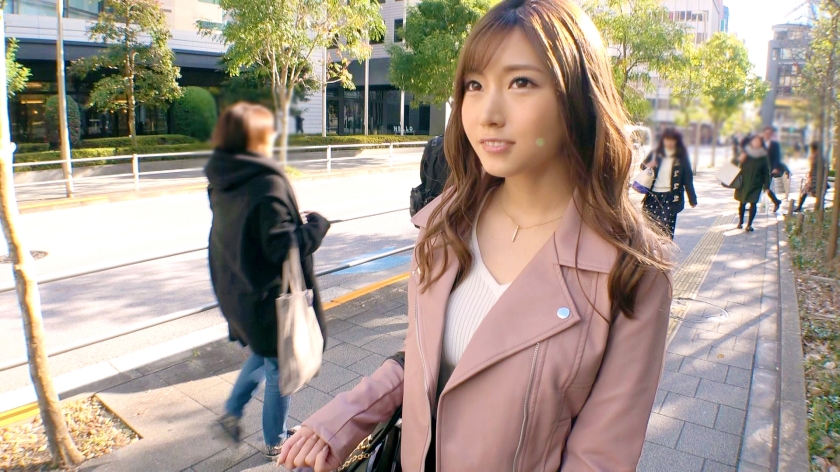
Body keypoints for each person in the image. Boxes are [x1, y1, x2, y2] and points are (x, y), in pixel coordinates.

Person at [279, 0, 674, 470]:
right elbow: (425, 361)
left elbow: (600, 458)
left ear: (577, 98)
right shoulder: (444, 225)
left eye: (521, 82)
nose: (487, 113)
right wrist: (343, 419)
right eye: (474, 85)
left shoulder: (631, 270)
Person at [204, 102, 331, 460]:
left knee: (262, 354)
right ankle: (275, 438)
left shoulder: (224, 178)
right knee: (279, 367)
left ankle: (231, 411)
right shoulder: (265, 183)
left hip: (240, 289)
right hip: (269, 299)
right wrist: (317, 227)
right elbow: (283, 247)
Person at [640, 128, 698, 239]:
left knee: (666, 230)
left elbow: (687, 179)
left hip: (670, 198)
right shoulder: (656, 153)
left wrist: (692, 199)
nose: (669, 142)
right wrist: (649, 165)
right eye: (667, 139)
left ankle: (664, 248)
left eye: (672, 140)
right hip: (653, 196)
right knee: (649, 228)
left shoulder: (682, 157)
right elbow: (642, 166)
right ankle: (651, 248)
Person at [735, 135, 771, 232]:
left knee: (753, 203)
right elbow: (735, 164)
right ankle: (740, 222)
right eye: (754, 141)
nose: (756, 143)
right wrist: (740, 159)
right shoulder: (745, 152)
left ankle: (749, 224)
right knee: (742, 203)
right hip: (744, 183)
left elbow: (766, 172)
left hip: (756, 184)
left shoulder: (763, 156)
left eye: (758, 141)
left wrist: (767, 186)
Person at [410, 134, 450, 217]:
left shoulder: (433, 143)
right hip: (454, 205)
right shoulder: (468, 143)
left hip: (431, 203)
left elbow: (423, 176)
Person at [762, 126, 784, 212]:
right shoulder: (759, 143)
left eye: (769, 134)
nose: (767, 135)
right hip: (758, 170)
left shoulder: (775, 145)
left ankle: (776, 201)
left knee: (766, 188)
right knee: (760, 187)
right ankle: (776, 201)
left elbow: (777, 158)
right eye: (766, 133)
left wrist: (775, 168)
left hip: (769, 170)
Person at [795, 142, 821, 212]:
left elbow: (812, 167)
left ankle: (800, 207)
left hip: (814, 178)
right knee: (811, 192)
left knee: (808, 192)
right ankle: (800, 207)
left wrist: (809, 176)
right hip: (816, 177)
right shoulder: (819, 156)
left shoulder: (815, 156)